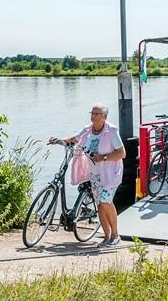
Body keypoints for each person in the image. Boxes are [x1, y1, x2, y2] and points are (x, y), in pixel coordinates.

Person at [50, 104, 126, 247]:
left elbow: (122, 153)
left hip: (110, 173)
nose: (94, 116)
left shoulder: (111, 131)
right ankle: (107, 236)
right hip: (95, 174)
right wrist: (59, 140)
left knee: (106, 201)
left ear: (104, 117)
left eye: (97, 114)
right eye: (92, 113)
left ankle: (116, 236)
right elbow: (75, 139)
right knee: (100, 205)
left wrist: (103, 157)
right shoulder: (87, 130)